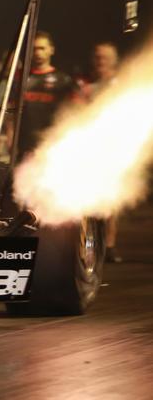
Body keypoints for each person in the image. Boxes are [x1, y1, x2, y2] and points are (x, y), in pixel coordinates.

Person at [76, 42, 122, 262]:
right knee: (86, 198)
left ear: (113, 59)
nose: (100, 60)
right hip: (86, 145)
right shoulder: (83, 83)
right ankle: (88, 243)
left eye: (105, 57)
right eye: (97, 56)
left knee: (111, 200)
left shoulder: (121, 83)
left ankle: (110, 246)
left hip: (112, 145)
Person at [17, 31, 75, 159]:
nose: (38, 53)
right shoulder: (20, 77)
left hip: (51, 141)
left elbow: (70, 113)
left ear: (51, 50)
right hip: (23, 143)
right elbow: (11, 111)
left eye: (42, 48)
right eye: (34, 49)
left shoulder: (63, 80)